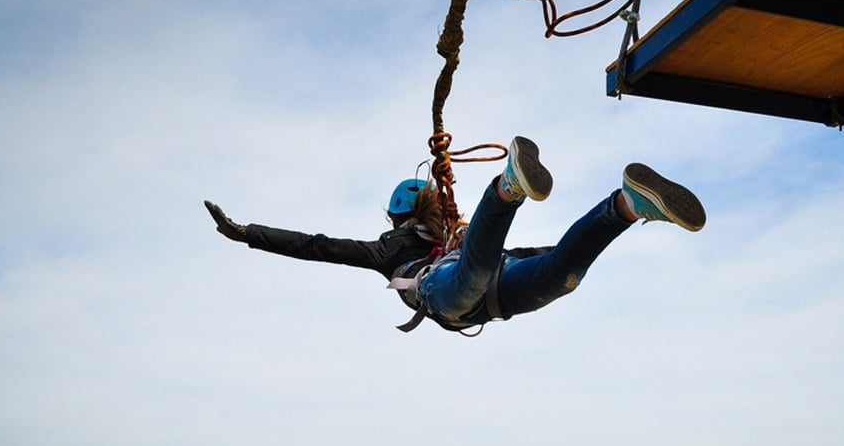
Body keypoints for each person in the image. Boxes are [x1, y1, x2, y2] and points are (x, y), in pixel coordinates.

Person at [205, 136, 705, 334]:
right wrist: (247, 232)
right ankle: (510, 189)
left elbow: (316, 245)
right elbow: (315, 247)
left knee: (562, 278)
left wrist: (562, 251)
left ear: (398, 212)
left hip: (476, 286)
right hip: (455, 291)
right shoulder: (392, 250)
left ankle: (626, 205)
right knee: (481, 264)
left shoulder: (456, 237)